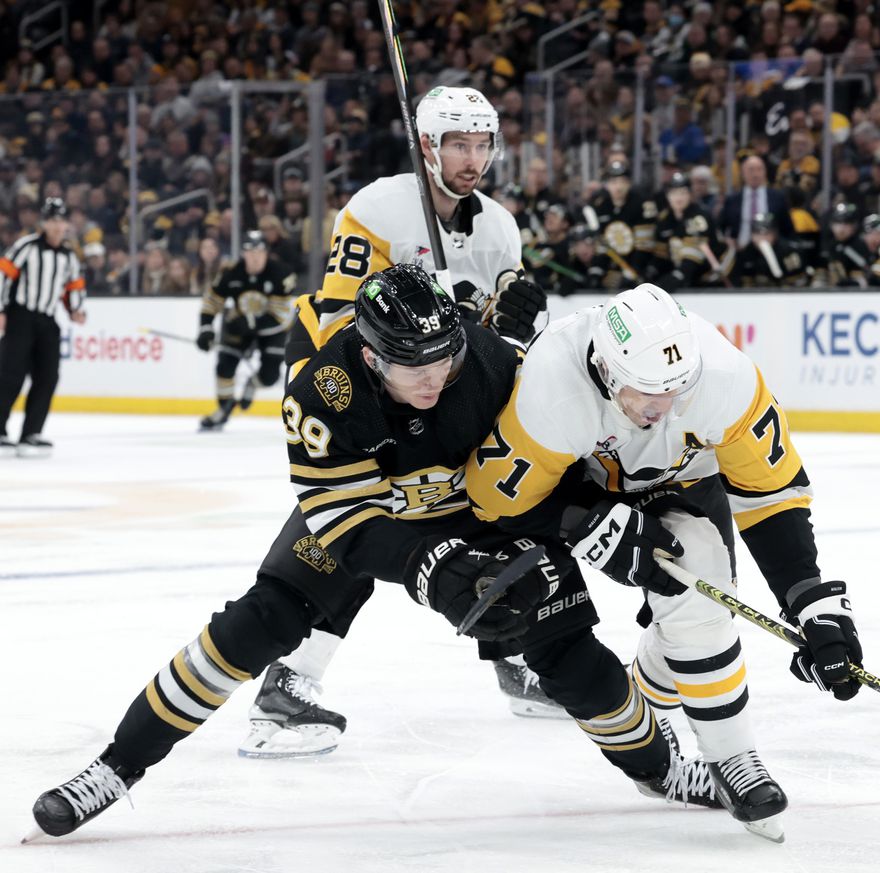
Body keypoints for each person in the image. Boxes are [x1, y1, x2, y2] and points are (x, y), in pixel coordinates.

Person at [27, 266, 721, 841]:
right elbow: (345, 523)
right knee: (255, 624)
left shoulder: (486, 360)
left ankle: (663, 769)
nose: (434, 377)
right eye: (411, 365)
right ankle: (115, 766)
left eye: (444, 357)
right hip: (374, 518)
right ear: (367, 354)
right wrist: (433, 569)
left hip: (486, 509)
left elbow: (550, 463)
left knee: (571, 655)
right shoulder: (322, 395)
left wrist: (596, 519)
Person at [465, 284, 865, 842]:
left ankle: (664, 694)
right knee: (691, 602)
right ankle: (736, 759)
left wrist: (808, 599)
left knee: (698, 601)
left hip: (681, 481)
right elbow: (494, 500)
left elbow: (771, 493)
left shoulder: (725, 377)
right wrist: (583, 521)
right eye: (648, 394)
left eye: (679, 391)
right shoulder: (553, 385)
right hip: (577, 488)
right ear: (605, 373)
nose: (666, 409)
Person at [258, 84, 557, 753]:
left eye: (481, 143)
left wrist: (508, 318)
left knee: (492, 500)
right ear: (427, 144)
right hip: (349, 382)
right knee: (366, 517)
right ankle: (290, 678)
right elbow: (341, 320)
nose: (471, 157)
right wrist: (443, 302)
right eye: (457, 143)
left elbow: (493, 339)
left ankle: (515, 653)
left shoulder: (501, 226)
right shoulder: (378, 208)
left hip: (433, 385)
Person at [0, 197, 87, 457]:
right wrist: (2, 309)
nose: (57, 226)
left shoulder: (69, 256)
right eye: (52, 220)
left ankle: (31, 433)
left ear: (67, 224)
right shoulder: (26, 247)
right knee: (10, 375)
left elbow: (73, 287)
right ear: (44, 222)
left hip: (48, 320)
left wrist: (76, 310)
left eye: (61, 220)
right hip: (21, 317)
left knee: (48, 376)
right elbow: (5, 275)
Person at [194, 230, 297, 430]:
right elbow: (211, 302)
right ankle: (224, 409)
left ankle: (251, 384)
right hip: (240, 324)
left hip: (272, 329)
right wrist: (205, 329)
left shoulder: (281, 273)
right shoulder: (231, 272)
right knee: (224, 365)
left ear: (266, 252)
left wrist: (250, 326)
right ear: (243, 253)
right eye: (250, 251)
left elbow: (282, 318)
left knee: (269, 377)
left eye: (260, 251)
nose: (255, 256)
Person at [587, 160, 659, 287]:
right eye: (613, 182)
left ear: (629, 184)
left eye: (622, 182)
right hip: (615, 266)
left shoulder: (642, 204)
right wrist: (597, 271)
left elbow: (644, 245)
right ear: (607, 185)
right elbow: (602, 245)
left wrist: (632, 272)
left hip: (641, 266)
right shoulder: (600, 205)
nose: (618, 187)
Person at [650, 171, 719, 291]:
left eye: (683, 193)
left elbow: (693, 256)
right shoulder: (664, 220)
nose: (679, 198)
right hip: (683, 276)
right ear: (667, 196)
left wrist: (678, 275)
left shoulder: (699, 217)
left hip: (708, 279)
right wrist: (651, 271)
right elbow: (661, 256)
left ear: (690, 195)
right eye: (674, 193)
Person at [725, 212, 810, 287]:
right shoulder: (746, 253)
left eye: (766, 234)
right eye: (757, 233)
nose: (761, 238)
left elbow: (798, 282)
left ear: (775, 233)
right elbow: (741, 283)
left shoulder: (789, 251)